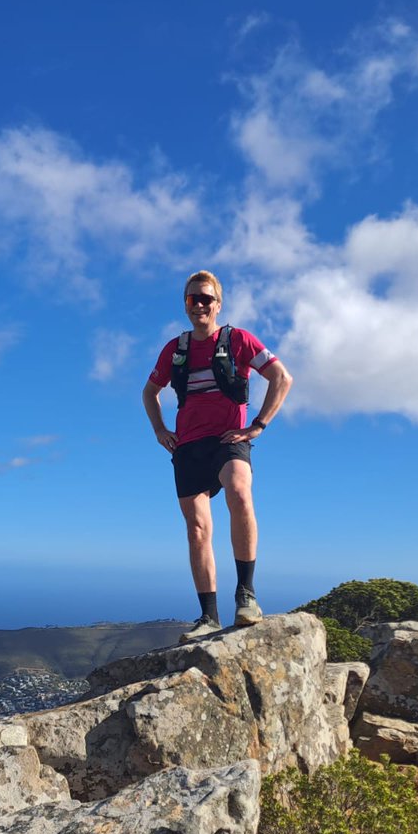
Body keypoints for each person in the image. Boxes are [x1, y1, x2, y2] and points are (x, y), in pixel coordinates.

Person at [142, 270, 292, 642]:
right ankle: (208, 616)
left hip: (229, 438)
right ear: (185, 305)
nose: (200, 305)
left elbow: (281, 378)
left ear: (218, 304)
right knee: (197, 530)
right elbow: (150, 392)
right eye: (193, 299)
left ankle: (246, 595)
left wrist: (258, 425)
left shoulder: (238, 340)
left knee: (239, 492)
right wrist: (160, 430)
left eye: (206, 298)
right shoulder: (175, 349)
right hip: (189, 445)